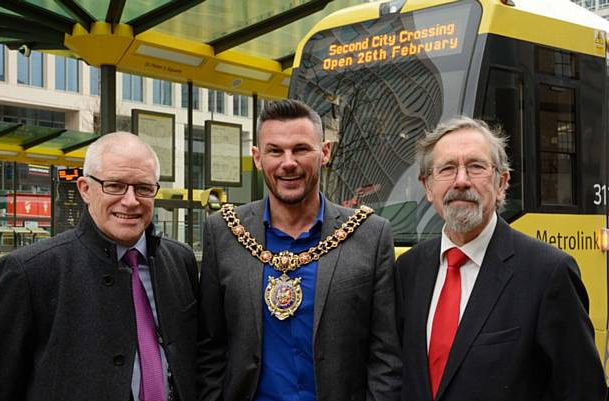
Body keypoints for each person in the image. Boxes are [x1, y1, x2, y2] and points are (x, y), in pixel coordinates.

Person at [0, 132, 198, 401]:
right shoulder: (29, 272)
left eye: (144, 188)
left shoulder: (180, 261)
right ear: (85, 189)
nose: (130, 200)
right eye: (115, 185)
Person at [197, 99, 401, 401]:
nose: (288, 162)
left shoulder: (370, 234)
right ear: (257, 157)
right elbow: (209, 347)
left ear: (325, 153)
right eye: (275, 150)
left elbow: (386, 355)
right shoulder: (224, 232)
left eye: (301, 149)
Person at [394, 116, 606, 401]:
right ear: (428, 186)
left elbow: (582, 390)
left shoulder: (548, 273)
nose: (461, 180)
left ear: (501, 183)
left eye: (476, 167)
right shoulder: (408, 269)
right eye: (447, 169)